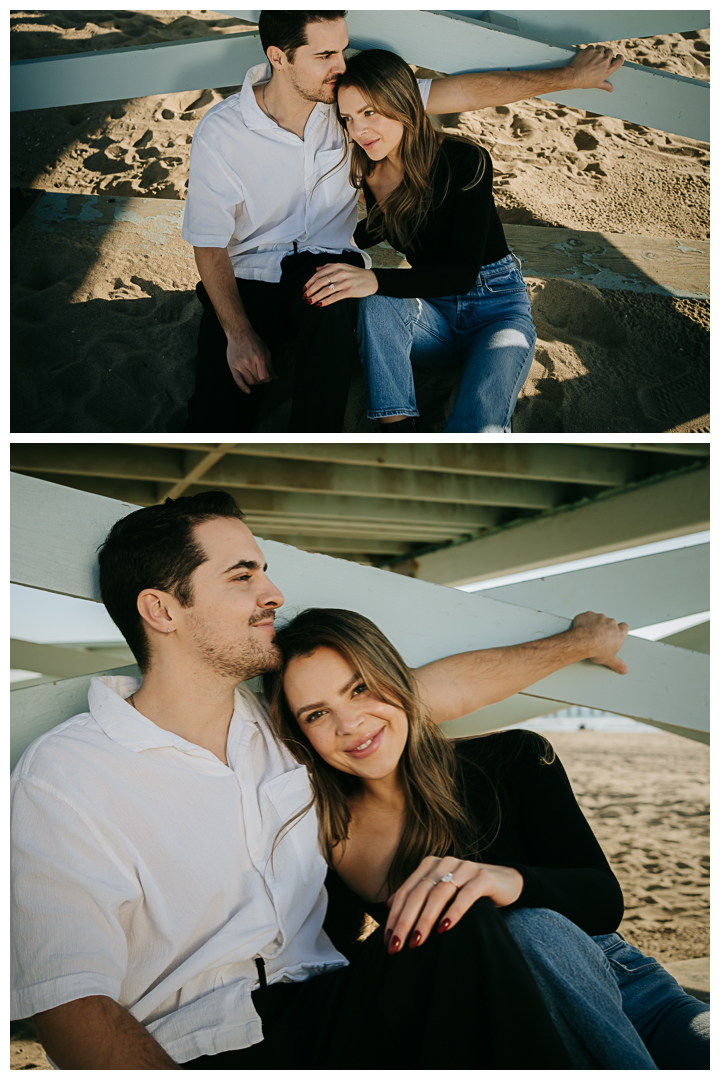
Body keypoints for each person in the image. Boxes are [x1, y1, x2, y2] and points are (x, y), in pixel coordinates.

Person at [12, 491, 638, 1069]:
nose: (274, 592)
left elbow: (436, 691)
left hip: (337, 1003)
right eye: (243, 575)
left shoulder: (293, 730)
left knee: (459, 920)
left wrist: (577, 642)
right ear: (162, 610)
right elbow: (69, 1001)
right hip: (202, 1048)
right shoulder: (68, 774)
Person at [263, 607, 711, 1070]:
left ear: (397, 678)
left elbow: (603, 902)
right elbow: (342, 962)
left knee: (530, 928)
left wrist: (506, 882)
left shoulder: (514, 758)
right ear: (300, 732)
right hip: (503, 1021)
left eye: (359, 689)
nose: (350, 724)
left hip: (628, 990)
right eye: (317, 714)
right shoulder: (331, 837)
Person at [181, 10, 624, 432]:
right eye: (324, 56)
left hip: (333, 272)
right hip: (249, 277)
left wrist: (569, 78)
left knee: (337, 310)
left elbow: (467, 93)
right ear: (278, 58)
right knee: (216, 413)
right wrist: (238, 333)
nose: (339, 66)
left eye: (343, 50)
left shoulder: (354, 102)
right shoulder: (225, 130)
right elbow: (207, 239)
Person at [303, 49, 531, 432]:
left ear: (402, 103)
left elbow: (460, 273)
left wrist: (374, 279)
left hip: (497, 311)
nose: (359, 130)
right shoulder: (373, 176)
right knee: (374, 302)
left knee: (478, 421)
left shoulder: (466, 161)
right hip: (433, 319)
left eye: (369, 112)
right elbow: (365, 235)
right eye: (348, 118)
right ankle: (397, 427)